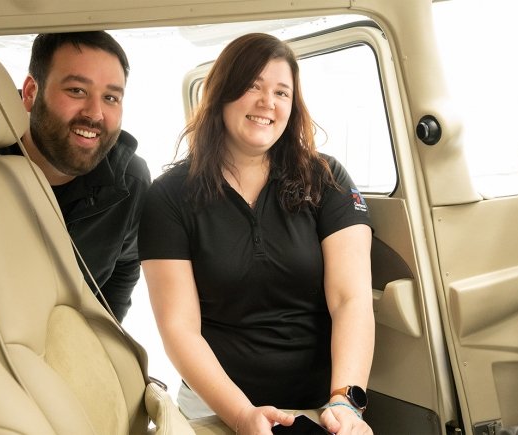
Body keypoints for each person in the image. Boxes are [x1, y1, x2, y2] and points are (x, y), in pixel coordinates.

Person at [138, 33, 374, 435]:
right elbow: (179, 327)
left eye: (282, 92)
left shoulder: (326, 178)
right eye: (253, 86)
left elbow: (350, 299)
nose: (268, 102)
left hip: (320, 406)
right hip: (215, 407)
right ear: (222, 95)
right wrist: (241, 414)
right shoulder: (168, 196)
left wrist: (344, 401)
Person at [0, 32, 150, 322]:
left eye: (110, 97)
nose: (95, 113)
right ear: (30, 93)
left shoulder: (129, 180)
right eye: (77, 90)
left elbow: (125, 264)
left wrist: (103, 338)